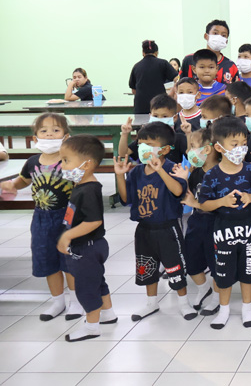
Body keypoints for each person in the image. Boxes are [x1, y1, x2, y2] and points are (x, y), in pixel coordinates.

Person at [0, 113, 81, 321]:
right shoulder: (32, 162)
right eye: (44, 131)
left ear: (66, 136)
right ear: (35, 138)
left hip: (68, 218)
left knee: (69, 260)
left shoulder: (69, 161)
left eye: (55, 130)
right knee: (46, 259)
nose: (50, 135)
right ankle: (57, 301)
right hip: (41, 219)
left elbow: (82, 183)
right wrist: (11, 185)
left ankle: (76, 301)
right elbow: (23, 180)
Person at [113, 121, 195, 322]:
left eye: (149, 144)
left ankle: (183, 303)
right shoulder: (136, 172)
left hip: (168, 228)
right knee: (147, 266)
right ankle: (151, 303)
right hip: (144, 229)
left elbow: (178, 191)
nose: (143, 148)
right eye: (141, 143)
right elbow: (126, 199)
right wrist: (120, 176)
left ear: (165, 149)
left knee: (175, 266)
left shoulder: (173, 168)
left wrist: (160, 170)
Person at [197, 117, 251, 329]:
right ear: (219, 147)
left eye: (243, 143)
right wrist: (222, 202)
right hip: (223, 229)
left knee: (248, 270)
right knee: (223, 273)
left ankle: (247, 309)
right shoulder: (212, 175)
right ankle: (224, 309)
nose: (241, 149)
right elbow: (203, 204)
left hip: (250, 228)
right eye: (234, 144)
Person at [57, 135, 117, 342]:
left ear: (87, 164)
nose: (62, 165)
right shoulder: (82, 185)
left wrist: (68, 235)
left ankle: (92, 327)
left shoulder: (89, 190)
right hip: (91, 246)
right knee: (97, 280)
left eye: (66, 160)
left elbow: (94, 221)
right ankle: (108, 313)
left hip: (87, 247)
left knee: (86, 287)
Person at [181, 128, 222, 315]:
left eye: (193, 146)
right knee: (191, 261)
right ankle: (203, 288)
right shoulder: (195, 173)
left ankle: (217, 297)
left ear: (207, 149)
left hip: (217, 223)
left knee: (217, 265)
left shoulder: (222, 172)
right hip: (196, 221)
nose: (189, 151)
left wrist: (196, 203)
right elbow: (187, 195)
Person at [119, 95, 187, 165]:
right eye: (155, 116)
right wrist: (124, 134)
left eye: (165, 116)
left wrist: (188, 133)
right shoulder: (145, 138)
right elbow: (123, 154)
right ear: (150, 116)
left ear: (174, 118)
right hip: (146, 171)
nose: (159, 119)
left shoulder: (179, 138)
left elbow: (191, 156)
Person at [179, 20, 239, 85]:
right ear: (206, 36)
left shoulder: (231, 66)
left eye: (223, 35)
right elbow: (179, 85)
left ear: (226, 41)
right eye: (215, 33)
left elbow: (236, 89)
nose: (219, 37)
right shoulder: (190, 60)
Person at [129, 40, 179, 114]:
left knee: (141, 121)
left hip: (141, 105)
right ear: (156, 53)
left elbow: (134, 90)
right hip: (160, 103)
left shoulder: (136, 66)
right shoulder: (163, 63)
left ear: (143, 53)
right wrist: (172, 92)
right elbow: (177, 79)